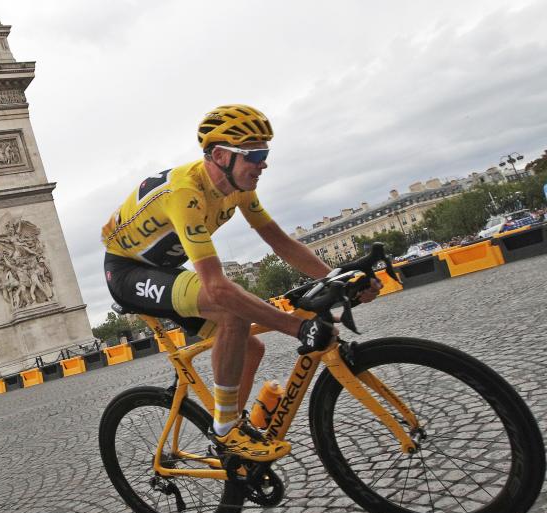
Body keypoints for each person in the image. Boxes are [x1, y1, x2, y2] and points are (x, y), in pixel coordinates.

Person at [101, 104, 380, 462]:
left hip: (164, 269)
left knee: (251, 347)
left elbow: (279, 242)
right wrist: (297, 328)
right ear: (219, 156)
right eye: (255, 153)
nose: (264, 163)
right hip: (127, 272)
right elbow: (217, 289)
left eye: (266, 152)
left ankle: (229, 426)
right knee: (231, 309)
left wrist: (334, 278)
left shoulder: (239, 188)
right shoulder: (185, 193)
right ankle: (226, 429)